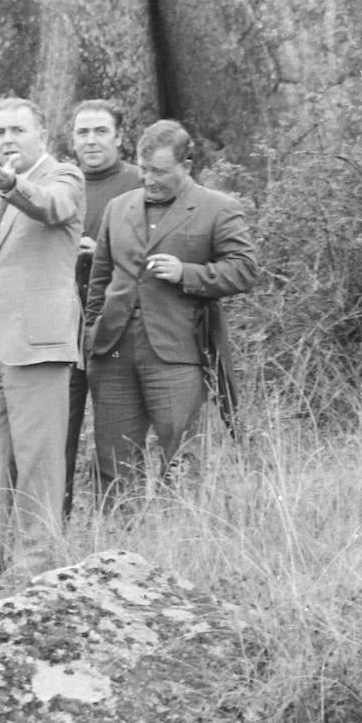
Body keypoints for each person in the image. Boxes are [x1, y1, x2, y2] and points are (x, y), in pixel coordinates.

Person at [85, 119, 258, 506]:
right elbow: (99, 282)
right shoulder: (117, 208)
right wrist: (92, 335)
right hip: (112, 353)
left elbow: (245, 269)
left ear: (187, 165)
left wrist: (188, 274)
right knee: (113, 462)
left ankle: (172, 545)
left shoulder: (219, 208)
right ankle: (115, 555)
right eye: (144, 170)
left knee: (181, 460)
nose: (148, 179)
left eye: (159, 171)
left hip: (178, 353)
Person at [0, 97, 84, 576]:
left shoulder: (64, 177)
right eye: (0, 132)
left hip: (36, 342)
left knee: (38, 457)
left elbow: (52, 208)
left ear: (43, 135)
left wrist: (13, 184)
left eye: (17, 130)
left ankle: (37, 560)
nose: (7, 140)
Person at [63, 100, 143, 520]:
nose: (91, 141)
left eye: (100, 131)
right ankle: (53, 530)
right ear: (71, 139)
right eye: (82, 133)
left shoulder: (140, 182)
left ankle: (117, 533)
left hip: (118, 329)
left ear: (119, 137)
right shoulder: (62, 182)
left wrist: (104, 255)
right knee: (60, 435)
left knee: (117, 436)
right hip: (62, 329)